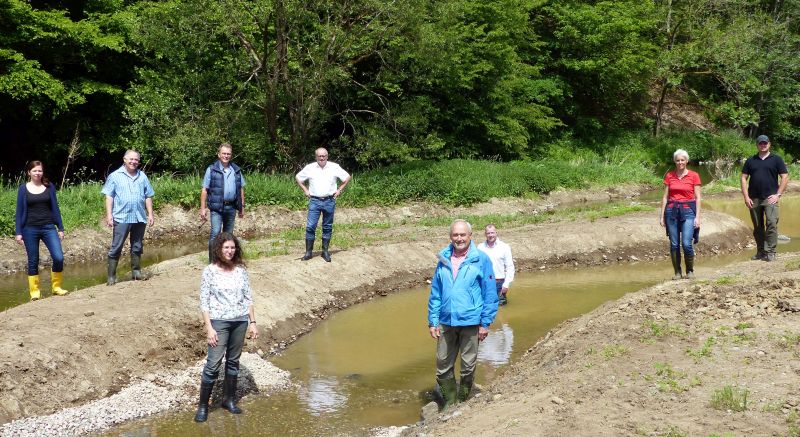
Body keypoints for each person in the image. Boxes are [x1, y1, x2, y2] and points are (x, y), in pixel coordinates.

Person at [427, 219, 498, 410]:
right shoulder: (443, 258)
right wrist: (432, 321)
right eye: (455, 235)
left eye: (462, 235)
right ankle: (451, 402)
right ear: (450, 237)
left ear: (470, 236)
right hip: (446, 321)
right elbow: (436, 293)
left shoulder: (481, 259)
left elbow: (490, 294)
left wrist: (485, 323)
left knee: (467, 366)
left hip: (471, 321)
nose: (459, 239)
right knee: (443, 367)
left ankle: (464, 398)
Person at [194, 232, 259, 423]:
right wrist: (209, 328)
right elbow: (204, 302)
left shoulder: (240, 271)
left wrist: (253, 323)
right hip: (219, 322)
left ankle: (228, 400)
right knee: (213, 364)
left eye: (232, 248)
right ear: (218, 249)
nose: (230, 251)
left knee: (233, 361)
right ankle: (203, 406)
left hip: (240, 321)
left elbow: (248, 298)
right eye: (226, 248)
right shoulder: (209, 271)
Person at [14, 161, 68, 300]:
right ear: (29, 173)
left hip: (48, 227)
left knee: (58, 257)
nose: (38, 173)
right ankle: (35, 292)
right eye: (35, 171)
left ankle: (56, 287)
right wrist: (18, 232)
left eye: (40, 171)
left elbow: (55, 208)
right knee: (33, 260)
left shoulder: (49, 187)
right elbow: (19, 212)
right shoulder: (23, 189)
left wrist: (60, 227)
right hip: (29, 229)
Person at [101, 150, 155, 285]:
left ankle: (136, 272)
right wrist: (109, 215)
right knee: (116, 246)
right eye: (131, 159)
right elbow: (109, 196)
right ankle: (111, 276)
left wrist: (150, 214)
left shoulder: (142, 176)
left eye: (136, 160)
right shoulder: (115, 176)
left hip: (139, 217)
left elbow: (148, 196)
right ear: (124, 159)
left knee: (137, 246)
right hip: (121, 217)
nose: (133, 162)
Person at [295, 147, 351, 262]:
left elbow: (347, 177)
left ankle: (325, 252)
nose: (322, 158)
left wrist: (339, 190)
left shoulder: (334, 167)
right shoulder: (310, 168)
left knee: (327, 226)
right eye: (319, 156)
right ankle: (308, 252)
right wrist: (305, 190)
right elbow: (298, 178)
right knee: (310, 226)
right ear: (316, 157)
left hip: (329, 201)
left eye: (324, 156)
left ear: (327, 156)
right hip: (315, 201)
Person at [741, 134, 789, 262]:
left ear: (769, 144)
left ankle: (771, 251)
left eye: (765, 143)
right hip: (754, 198)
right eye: (760, 143)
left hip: (770, 198)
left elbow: (785, 176)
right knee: (758, 226)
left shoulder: (776, 159)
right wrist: (746, 196)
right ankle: (761, 251)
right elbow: (743, 178)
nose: (763, 145)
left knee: (772, 223)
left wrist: (778, 194)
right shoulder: (751, 160)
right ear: (757, 145)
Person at [659, 149, 702, 280]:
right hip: (671, 211)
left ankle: (690, 271)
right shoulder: (669, 176)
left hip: (688, 210)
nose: (680, 162)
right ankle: (677, 272)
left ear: (687, 161)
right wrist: (661, 216)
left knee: (687, 243)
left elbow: (698, 198)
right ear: (674, 161)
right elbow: (665, 197)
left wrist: (698, 217)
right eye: (677, 160)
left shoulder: (694, 175)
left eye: (682, 160)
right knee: (674, 244)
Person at [200, 143, 246, 263]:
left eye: (228, 154)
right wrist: (203, 208)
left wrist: (242, 207)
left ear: (231, 155)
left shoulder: (236, 170)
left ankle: (226, 261)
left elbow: (241, 189)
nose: (226, 156)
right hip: (216, 208)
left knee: (228, 236)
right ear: (219, 154)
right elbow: (205, 190)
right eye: (224, 153)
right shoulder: (211, 169)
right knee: (215, 234)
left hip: (231, 207)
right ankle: (213, 262)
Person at [477, 224, 515, 305]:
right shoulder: (480, 247)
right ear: (485, 234)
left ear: (496, 233)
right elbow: (477, 266)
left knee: (500, 308)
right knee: (485, 306)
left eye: (492, 233)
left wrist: (506, 284)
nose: (491, 235)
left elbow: (510, 267)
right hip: (485, 282)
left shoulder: (504, 247)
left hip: (499, 282)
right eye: (488, 233)